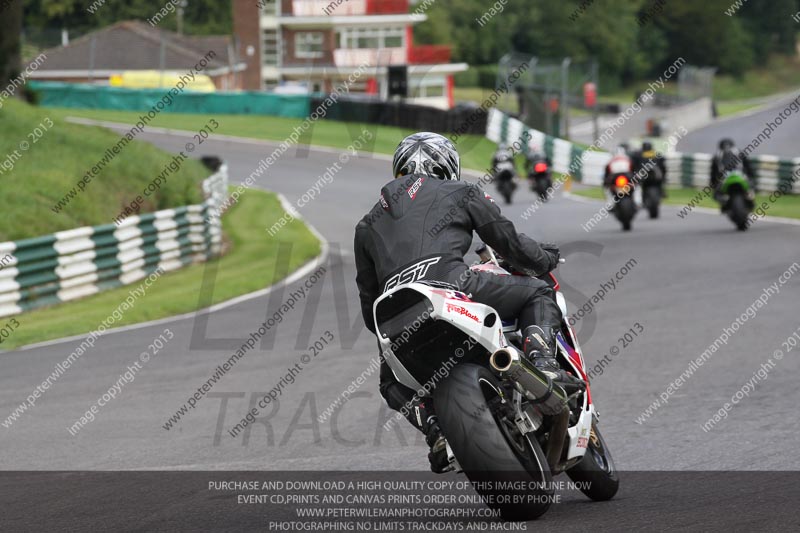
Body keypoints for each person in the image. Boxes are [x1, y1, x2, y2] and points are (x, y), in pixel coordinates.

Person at [354, 132, 562, 472]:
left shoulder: (366, 224)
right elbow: (508, 242)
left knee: (389, 383)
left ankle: (434, 428)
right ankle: (543, 360)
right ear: (448, 166)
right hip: (452, 285)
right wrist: (543, 260)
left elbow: (367, 299)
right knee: (537, 290)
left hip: (393, 313)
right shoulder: (461, 191)